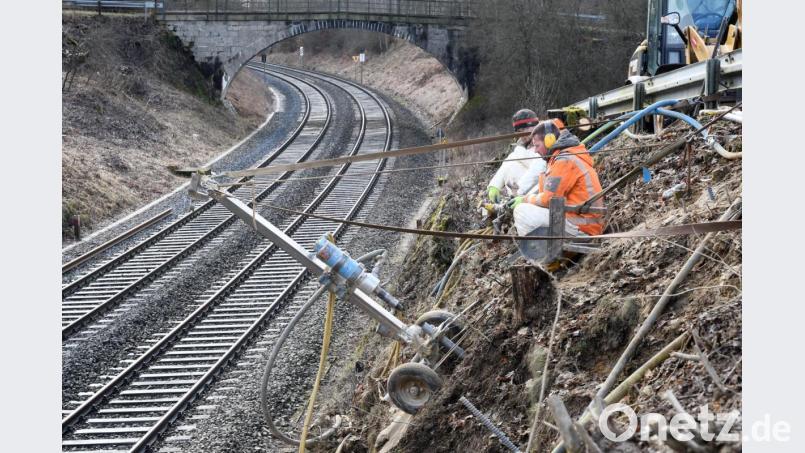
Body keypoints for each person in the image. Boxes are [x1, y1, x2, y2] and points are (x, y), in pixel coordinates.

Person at [509, 120, 605, 236]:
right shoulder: (559, 159)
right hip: (581, 222)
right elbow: (546, 196)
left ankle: (535, 247)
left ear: (549, 141)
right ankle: (542, 246)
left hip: (583, 226)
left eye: (537, 145)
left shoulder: (564, 161)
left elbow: (549, 199)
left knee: (521, 211)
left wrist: (525, 199)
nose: (535, 150)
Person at [486, 109, 544, 203]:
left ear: (534, 126)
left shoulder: (544, 142)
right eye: (519, 131)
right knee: (511, 162)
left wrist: (517, 192)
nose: (522, 135)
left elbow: (538, 169)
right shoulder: (522, 146)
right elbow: (508, 163)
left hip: (539, 193)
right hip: (521, 194)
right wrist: (494, 185)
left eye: (524, 130)